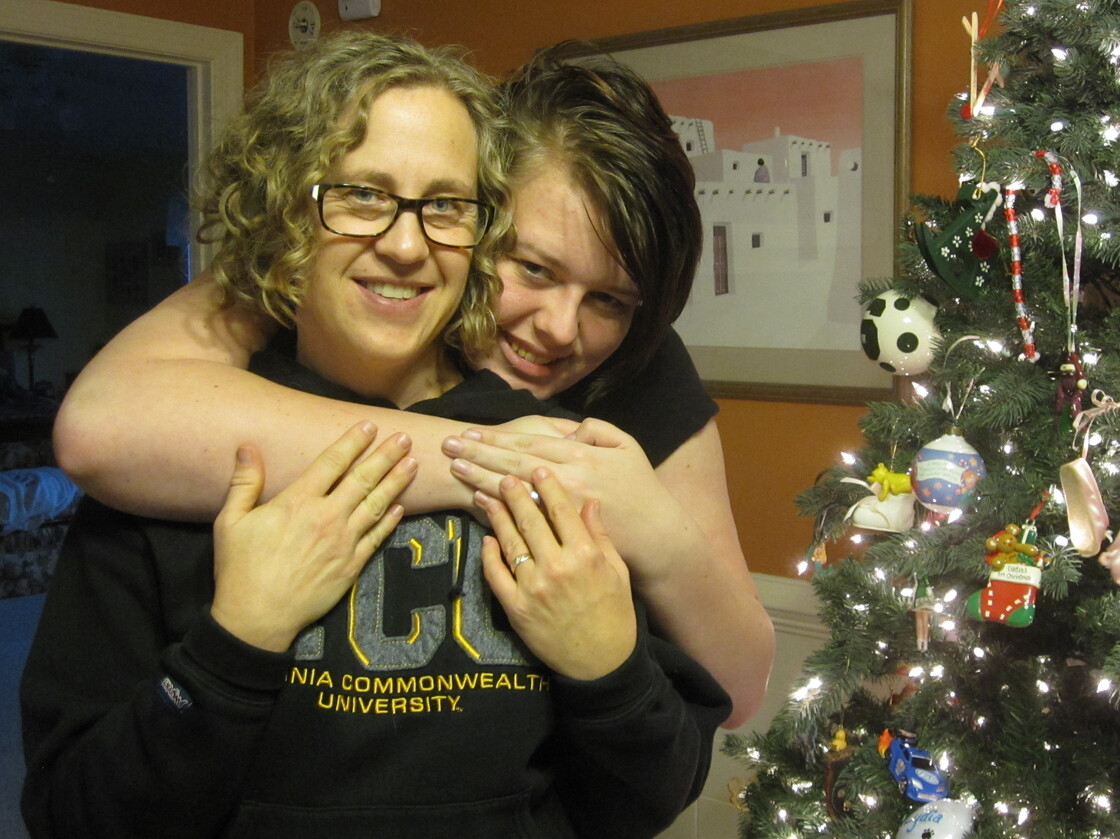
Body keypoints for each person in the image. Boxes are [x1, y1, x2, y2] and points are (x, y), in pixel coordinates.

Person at [21, 32, 728, 838]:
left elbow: (651, 792)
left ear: (483, 233)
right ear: (288, 208)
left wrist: (608, 669)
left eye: (446, 206)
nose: (403, 243)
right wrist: (233, 645)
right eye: (361, 194)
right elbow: (70, 812)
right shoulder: (173, 459)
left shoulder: (556, 456)